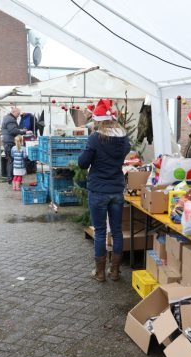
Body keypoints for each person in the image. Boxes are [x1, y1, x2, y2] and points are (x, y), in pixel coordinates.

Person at [78, 99, 130, 282]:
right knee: (117, 231)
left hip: (99, 190)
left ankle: (100, 273)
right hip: (116, 189)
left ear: (98, 121)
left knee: (100, 231)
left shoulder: (95, 138)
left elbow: (82, 163)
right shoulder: (123, 138)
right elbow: (124, 153)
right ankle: (115, 271)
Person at [1, 107, 26, 185]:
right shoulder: (10, 119)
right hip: (10, 142)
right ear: (13, 112)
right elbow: (13, 131)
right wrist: (23, 131)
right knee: (11, 161)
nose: (18, 115)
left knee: (10, 160)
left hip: (7, 141)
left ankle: (12, 179)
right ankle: (11, 179)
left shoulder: (8, 118)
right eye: (18, 114)